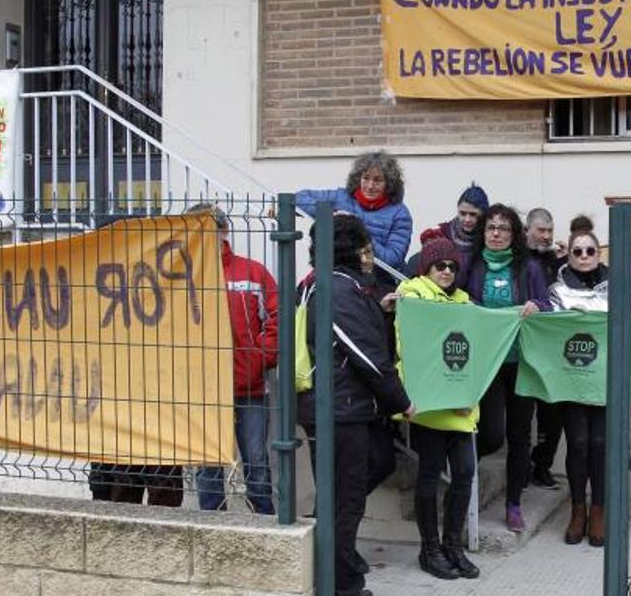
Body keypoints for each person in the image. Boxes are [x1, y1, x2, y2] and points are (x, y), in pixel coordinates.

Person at [304, 213, 415, 595]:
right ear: (348, 249)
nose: (370, 256)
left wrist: (379, 312)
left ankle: (337, 573)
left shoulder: (337, 285)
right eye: (364, 248)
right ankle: (342, 584)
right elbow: (366, 355)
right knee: (344, 502)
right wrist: (401, 399)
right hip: (341, 409)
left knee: (340, 498)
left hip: (338, 407)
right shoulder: (339, 290)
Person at [459, 204, 551, 533]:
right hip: (487, 361)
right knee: (491, 433)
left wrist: (535, 305)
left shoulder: (530, 268)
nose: (496, 234)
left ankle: (513, 503)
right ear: (483, 232)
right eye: (491, 228)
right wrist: (464, 302)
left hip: (521, 361)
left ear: (515, 236)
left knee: (519, 436)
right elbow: (453, 297)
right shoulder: (472, 263)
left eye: (504, 229)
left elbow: (546, 304)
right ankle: (459, 472)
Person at [394, 238, 480, 581]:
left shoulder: (464, 300)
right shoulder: (411, 292)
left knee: (464, 474)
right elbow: (415, 339)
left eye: (452, 267)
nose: (446, 271)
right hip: (428, 404)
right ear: (426, 268)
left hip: (459, 406)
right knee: (429, 477)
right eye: (440, 265)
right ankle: (429, 549)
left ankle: (452, 547)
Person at [189, 203, 279, 514]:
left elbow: (277, 319)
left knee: (256, 461)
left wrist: (258, 359)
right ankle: (212, 525)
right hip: (202, 390)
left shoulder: (253, 272)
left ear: (223, 231)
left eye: (207, 230)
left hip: (249, 387)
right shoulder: (180, 276)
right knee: (208, 464)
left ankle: (265, 524)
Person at [549, 216, 609, 547]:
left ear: (598, 253)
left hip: (603, 381)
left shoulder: (617, 286)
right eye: (577, 251)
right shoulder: (557, 289)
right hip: (571, 379)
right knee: (579, 443)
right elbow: (551, 331)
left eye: (590, 250)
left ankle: (599, 509)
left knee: (600, 443)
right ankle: (578, 509)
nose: (584, 256)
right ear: (569, 254)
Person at [294, 151, 413, 279]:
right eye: (366, 178)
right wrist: (331, 213)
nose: (370, 186)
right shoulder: (342, 197)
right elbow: (299, 198)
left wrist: (359, 232)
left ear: (389, 184)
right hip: (338, 273)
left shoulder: (400, 214)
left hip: (378, 281)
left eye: (378, 180)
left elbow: (392, 259)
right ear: (358, 178)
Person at [525, 207, 565, 491]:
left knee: (553, 412)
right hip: (523, 344)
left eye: (549, 231)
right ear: (528, 230)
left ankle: (542, 466)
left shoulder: (555, 260)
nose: (546, 236)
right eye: (541, 230)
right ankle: (522, 467)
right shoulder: (517, 258)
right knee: (523, 413)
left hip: (551, 346)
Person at [415, 183, 490, 268]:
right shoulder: (441, 233)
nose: (467, 219)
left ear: (483, 214)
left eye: (473, 214)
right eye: (463, 213)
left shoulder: (490, 240)